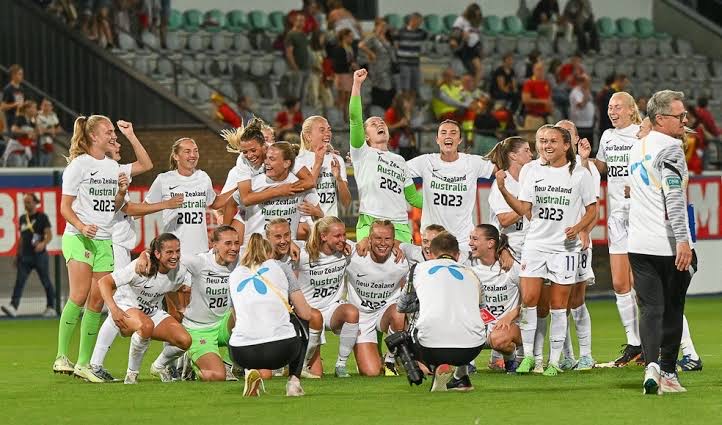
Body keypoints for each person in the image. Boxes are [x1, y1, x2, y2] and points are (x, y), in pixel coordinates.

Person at [496, 125, 596, 376]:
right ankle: (531, 357)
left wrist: (578, 227)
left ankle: (554, 361)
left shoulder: (580, 174)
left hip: (564, 248)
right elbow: (524, 208)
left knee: (559, 306)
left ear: (565, 145)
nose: (545, 146)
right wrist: (503, 189)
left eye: (551, 141)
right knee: (529, 302)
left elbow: (593, 210)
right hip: (536, 245)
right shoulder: (531, 170)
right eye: (541, 141)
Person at [627, 90, 695, 394]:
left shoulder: (636, 147)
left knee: (650, 309)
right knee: (673, 307)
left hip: (637, 243)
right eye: (679, 116)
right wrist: (682, 239)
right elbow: (674, 196)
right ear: (660, 119)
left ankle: (651, 366)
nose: (685, 120)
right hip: (666, 242)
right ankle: (668, 371)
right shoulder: (671, 147)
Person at [53, 115, 126, 381]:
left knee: (97, 301)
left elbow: (114, 207)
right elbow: (64, 207)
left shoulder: (112, 166)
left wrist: (119, 193)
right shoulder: (78, 166)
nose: (112, 135)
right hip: (79, 236)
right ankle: (62, 356)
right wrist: (82, 226)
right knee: (80, 294)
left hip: (104, 239)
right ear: (94, 136)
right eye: (108, 131)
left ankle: (83, 364)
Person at [579, 91, 644, 366]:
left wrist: (641, 186)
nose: (612, 111)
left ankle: (667, 345)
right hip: (618, 216)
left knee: (645, 285)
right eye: (609, 107)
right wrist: (583, 158)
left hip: (642, 214)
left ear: (631, 109)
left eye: (617, 107)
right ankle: (635, 344)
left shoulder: (643, 132)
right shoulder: (607, 136)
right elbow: (603, 168)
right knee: (620, 283)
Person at [228, 234, 316, 397]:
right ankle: (294, 383)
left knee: (240, 324)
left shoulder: (234, 274)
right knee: (302, 320)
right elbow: (306, 312)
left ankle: (249, 370)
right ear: (269, 253)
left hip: (240, 354)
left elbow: (235, 319)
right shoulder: (281, 267)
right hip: (281, 351)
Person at [97, 233, 192, 384]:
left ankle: (159, 366)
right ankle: (131, 375)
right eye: (169, 252)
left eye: (177, 251)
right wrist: (114, 309)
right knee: (146, 325)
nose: (175, 256)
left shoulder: (179, 271)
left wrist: (179, 308)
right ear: (157, 254)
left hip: (152, 311)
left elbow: (171, 287)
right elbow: (104, 282)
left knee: (185, 341)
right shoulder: (141, 266)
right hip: (126, 307)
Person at [397, 232, 486, 392]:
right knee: (464, 319)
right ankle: (461, 377)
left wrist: (423, 303)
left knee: (410, 332)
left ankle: (439, 365)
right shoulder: (472, 273)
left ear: (430, 253)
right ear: (458, 255)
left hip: (432, 348)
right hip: (472, 349)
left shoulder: (418, 269)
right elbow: (481, 306)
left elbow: (401, 306)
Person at [349, 69, 423, 242]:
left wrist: (438, 201)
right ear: (366, 136)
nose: (380, 123)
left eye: (382, 122)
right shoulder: (362, 152)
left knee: (404, 269)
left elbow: (413, 198)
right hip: (370, 221)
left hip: (400, 225)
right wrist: (357, 84)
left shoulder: (400, 160)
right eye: (373, 123)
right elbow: (354, 118)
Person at [407, 119, 496, 248]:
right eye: (443, 133)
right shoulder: (426, 161)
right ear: (437, 139)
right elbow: (398, 170)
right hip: (432, 240)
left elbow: (501, 171)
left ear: (460, 139)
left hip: (462, 242)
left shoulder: (472, 162)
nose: (448, 136)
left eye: (453, 133)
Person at [145, 137, 236, 257]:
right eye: (187, 151)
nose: (193, 155)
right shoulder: (164, 179)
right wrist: (166, 204)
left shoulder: (203, 177)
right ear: (176, 156)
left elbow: (215, 202)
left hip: (201, 252)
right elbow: (143, 208)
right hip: (175, 252)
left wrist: (238, 187)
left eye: (196, 151)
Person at [295, 216, 358, 378]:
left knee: (352, 312)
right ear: (323, 236)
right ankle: (298, 364)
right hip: (308, 314)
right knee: (318, 374)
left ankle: (341, 365)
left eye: (344, 235)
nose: (343, 239)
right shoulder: (303, 254)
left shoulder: (347, 249)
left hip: (331, 310)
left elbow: (367, 244)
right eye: (337, 236)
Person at [346, 220, 408, 376]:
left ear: (394, 240)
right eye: (377, 238)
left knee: (399, 311)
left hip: (386, 313)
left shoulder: (402, 260)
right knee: (371, 372)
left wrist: (400, 246)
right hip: (361, 318)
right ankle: (373, 358)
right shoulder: (355, 254)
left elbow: (428, 250)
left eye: (387, 239)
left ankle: (391, 359)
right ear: (369, 239)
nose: (382, 243)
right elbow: (332, 239)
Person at [468, 224, 524, 374]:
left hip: (506, 329)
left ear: (490, 243)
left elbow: (531, 300)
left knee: (498, 339)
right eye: (470, 238)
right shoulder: (468, 268)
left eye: (475, 239)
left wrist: (510, 316)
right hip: (479, 330)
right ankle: (467, 363)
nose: (470, 243)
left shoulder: (511, 267)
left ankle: (512, 359)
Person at [244, 141, 323, 239]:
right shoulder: (252, 183)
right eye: (266, 158)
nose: (266, 162)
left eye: (272, 159)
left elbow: (321, 216)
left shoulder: (301, 185)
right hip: (258, 247)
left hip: (287, 246)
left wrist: (316, 213)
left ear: (286, 163)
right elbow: (234, 203)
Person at [1, 193, 55, 318]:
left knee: (46, 281)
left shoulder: (42, 217)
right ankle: (13, 307)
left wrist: (43, 243)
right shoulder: (22, 218)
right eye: (25, 202)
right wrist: (17, 254)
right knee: (19, 281)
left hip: (39, 256)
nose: (26, 205)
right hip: (25, 256)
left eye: (29, 202)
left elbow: (49, 235)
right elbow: (22, 238)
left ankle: (51, 307)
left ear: (36, 202)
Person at [297, 115, 351, 217]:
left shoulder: (336, 159)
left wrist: (339, 179)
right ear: (308, 136)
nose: (327, 133)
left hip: (330, 224)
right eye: (322, 130)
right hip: (307, 224)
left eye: (329, 130)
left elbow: (346, 202)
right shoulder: (298, 160)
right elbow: (302, 193)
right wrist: (318, 163)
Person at [359, 17, 397, 110]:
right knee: (379, 88)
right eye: (382, 26)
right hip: (377, 67)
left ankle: (386, 108)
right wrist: (370, 53)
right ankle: (376, 108)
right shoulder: (373, 38)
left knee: (389, 88)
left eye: (385, 26)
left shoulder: (388, 37)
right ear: (377, 26)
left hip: (388, 67)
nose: (384, 28)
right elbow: (361, 45)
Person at [450, 3, 483, 86]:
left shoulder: (475, 22)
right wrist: (462, 38)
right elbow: (454, 37)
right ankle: (469, 89)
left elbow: (477, 34)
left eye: (478, 15)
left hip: (474, 47)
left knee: (478, 70)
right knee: (473, 70)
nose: (477, 17)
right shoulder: (460, 20)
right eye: (475, 15)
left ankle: (473, 89)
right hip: (465, 48)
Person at [395, 12, 427, 98]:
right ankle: (405, 107)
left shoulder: (421, 33)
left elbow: (432, 37)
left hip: (415, 64)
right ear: (413, 20)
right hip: (404, 64)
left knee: (414, 88)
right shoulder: (400, 32)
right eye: (419, 21)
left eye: (421, 22)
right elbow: (395, 46)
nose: (420, 24)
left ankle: (411, 108)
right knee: (405, 88)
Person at [329, 28, 357, 120]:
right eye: (350, 36)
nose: (352, 38)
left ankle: (346, 116)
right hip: (341, 74)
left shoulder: (350, 48)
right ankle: (340, 117)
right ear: (344, 37)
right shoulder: (339, 49)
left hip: (348, 74)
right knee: (342, 98)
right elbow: (337, 64)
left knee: (348, 98)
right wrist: (350, 64)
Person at [521, 61, 552, 142]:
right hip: (533, 117)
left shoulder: (546, 83)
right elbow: (525, 99)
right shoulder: (529, 83)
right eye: (538, 69)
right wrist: (542, 102)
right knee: (530, 142)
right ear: (533, 70)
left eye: (542, 69)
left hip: (544, 117)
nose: (540, 71)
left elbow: (548, 99)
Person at [284, 14, 311, 103]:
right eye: (299, 20)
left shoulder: (303, 34)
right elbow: (289, 53)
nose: (302, 23)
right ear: (295, 21)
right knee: (296, 93)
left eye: (303, 21)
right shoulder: (291, 35)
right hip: (297, 68)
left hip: (306, 67)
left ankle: (301, 113)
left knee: (304, 93)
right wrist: (294, 67)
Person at [385, 92, 416, 158]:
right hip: (393, 146)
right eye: (408, 102)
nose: (411, 105)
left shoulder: (405, 112)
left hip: (405, 146)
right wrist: (399, 124)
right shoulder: (391, 112)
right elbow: (386, 129)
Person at [35, 98, 64, 167]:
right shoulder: (37, 115)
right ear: (41, 106)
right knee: (40, 164)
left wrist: (49, 130)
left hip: (50, 143)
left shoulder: (53, 115)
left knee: (48, 164)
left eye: (49, 105)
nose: (47, 107)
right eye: (45, 105)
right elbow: (38, 130)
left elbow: (59, 129)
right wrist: (51, 130)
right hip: (39, 144)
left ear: (51, 107)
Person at [568, 74, 594, 143]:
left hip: (589, 124)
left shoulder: (587, 91)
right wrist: (586, 93)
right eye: (587, 82)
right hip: (580, 125)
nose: (589, 84)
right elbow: (581, 105)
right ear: (581, 82)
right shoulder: (576, 92)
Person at [1, 64, 25, 129]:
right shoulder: (8, 89)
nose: (22, 76)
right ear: (13, 75)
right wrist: (15, 104)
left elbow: (20, 104)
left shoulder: (21, 88)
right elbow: (2, 107)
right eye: (19, 74)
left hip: (19, 118)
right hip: (10, 119)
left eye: (22, 74)